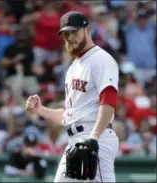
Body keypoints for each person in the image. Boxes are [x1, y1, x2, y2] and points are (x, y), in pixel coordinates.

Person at [25, 11, 119, 182]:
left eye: (74, 31)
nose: (70, 37)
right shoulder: (73, 67)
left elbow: (109, 102)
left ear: (88, 30)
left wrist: (94, 138)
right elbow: (68, 115)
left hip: (96, 136)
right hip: (74, 139)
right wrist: (40, 109)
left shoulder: (101, 60)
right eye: (66, 33)